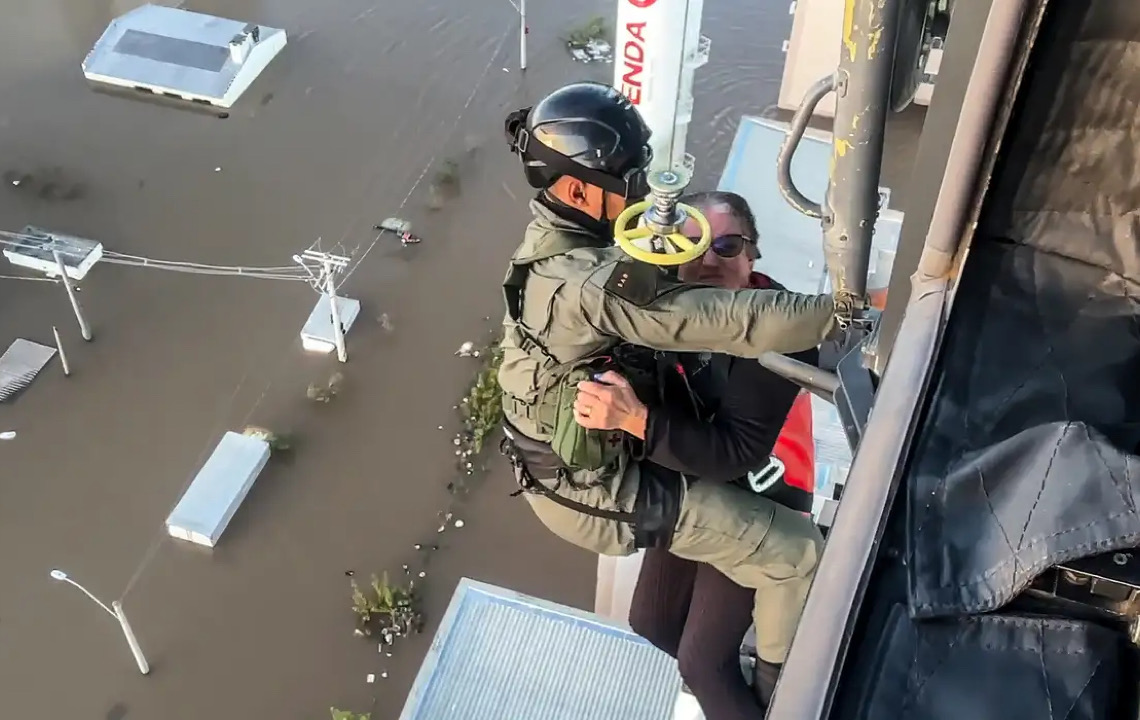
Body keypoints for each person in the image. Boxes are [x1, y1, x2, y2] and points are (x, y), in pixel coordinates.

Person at [496, 82, 838, 674]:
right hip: (592, 489)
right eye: (628, 178)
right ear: (578, 188)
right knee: (798, 555)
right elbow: (726, 322)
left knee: (672, 632)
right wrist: (853, 308)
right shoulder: (587, 284)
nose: (638, 191)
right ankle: (789, 694)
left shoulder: (553, 247)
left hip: (588, 457)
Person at [575, 190, 818, 718]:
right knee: (653, 623)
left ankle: (754, 695)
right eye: (691, 245)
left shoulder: (780, 333)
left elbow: (735, 452)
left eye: (726, 245)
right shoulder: (666, 314)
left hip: (761, 497)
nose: (707, 260)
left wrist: (633, 419)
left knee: (701, 664)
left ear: (753, 258)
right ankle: (743, 689)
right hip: (693, 478)